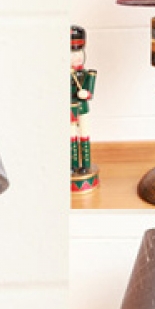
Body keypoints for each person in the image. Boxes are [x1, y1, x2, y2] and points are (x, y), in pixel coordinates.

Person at [70, 25, 98, 192]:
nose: (77, 56)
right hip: (70, 111)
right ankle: (73, 165)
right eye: (73, 53)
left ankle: (85, 165)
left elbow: (90, 91)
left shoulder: (86, 74)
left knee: (84, 135)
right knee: (71, 136)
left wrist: (85, 93)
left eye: (79, 52)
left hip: (82, 109)